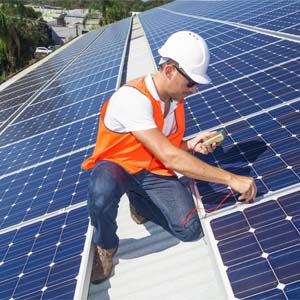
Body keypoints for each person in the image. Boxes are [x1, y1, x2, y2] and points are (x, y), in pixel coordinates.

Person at [82, 31, 257, 284]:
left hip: (152, 170)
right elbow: (170, 156)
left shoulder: (174, 102)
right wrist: (231, 179)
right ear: (169, 70)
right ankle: (106, 245)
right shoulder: (132, 99)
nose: (195, 90)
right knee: (102, 192)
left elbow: (167, 146)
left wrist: (190, 144)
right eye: (191, 83)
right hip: (117, 168)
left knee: (190, 230)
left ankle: (139, 202)